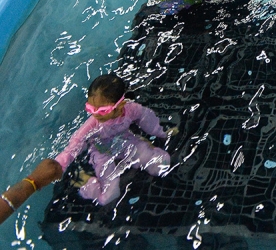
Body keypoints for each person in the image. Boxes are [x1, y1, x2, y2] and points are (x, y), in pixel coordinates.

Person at [0, 74, 174, 221]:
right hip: (100, 151)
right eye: (90, 108)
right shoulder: (91, 127)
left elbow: (147, 119)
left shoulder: (131, 110)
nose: (95, 114)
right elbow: (72, 147)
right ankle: (84, 180)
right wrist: (58, 167)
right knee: (109, 196)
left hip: (125, 141)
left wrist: (162, 133)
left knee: (162, 163)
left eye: (102, 111)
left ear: (121, 105)